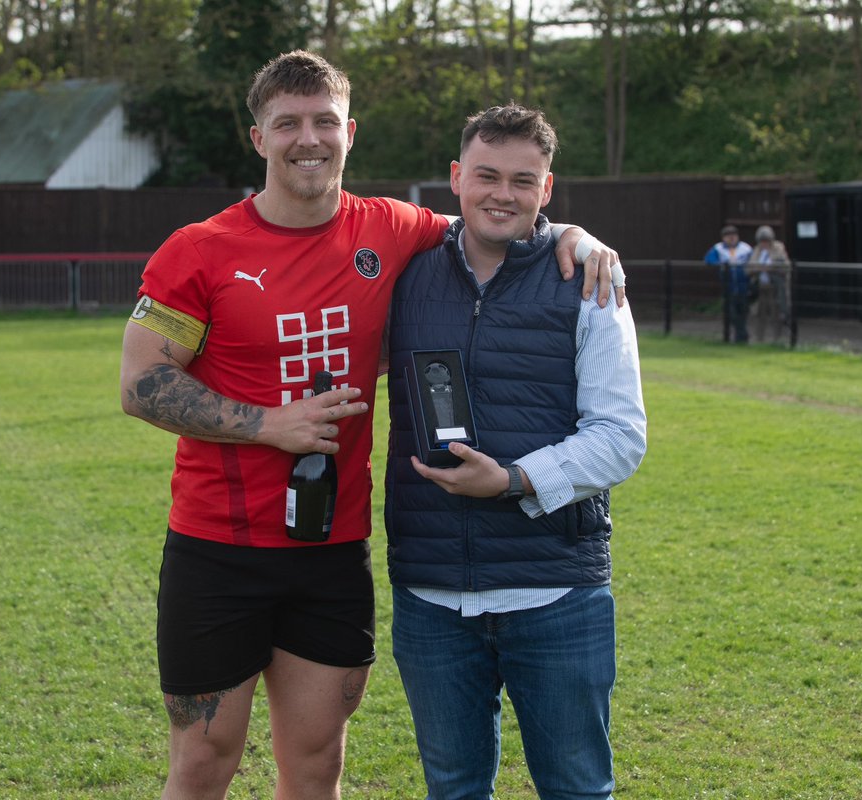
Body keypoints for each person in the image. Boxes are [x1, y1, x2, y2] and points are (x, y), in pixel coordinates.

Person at [118, 51, 623, 800]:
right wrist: (268, 425)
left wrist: (573, 233)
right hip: (218, 548)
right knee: (203, 760)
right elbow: (141, 385)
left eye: (324, 121)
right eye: (286, 123)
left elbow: (493, 211)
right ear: (257, 138)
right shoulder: (198, 250)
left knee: (317, 762)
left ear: (349, 132)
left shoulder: (389, 227)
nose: (308, 139)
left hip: (331, 550)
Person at [383, 104, 647, 800]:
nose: (503, 193)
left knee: (578, 790)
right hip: (431, 594)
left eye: (522, 180)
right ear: (455, 177)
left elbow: (622, 437)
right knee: (454, 789)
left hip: (555, 591)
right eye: (487, 175)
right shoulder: (405, 274)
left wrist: (515, 479)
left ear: (547, 188)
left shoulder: (591, 282)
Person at [704, 224, 753, 343]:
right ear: (723, 237)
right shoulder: (719, 248)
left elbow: (753, 261)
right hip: (728, 285)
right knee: (731, 313)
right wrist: (721, 266)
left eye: (734, 235)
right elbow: (709, 259)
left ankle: (740, 337)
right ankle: (742, 335)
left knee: (743, 311)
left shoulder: (745, 248)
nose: (731, 238)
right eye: (728, 236)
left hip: (743, 285)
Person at [752, 224, 790, 343]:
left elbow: (785, 266)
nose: (764, 244)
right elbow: (749, 267)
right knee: (759, 314)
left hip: (775, 287)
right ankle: (759, 339)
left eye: (766, 241)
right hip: (761, 286)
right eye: (762, 241)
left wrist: (771, 267)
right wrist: (759, 268)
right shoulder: (757, 250)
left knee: (776, 313)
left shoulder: (778, 248)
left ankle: (777, 339)